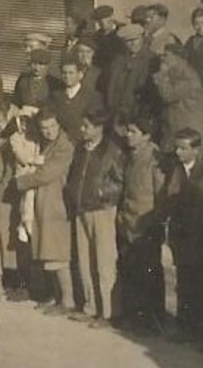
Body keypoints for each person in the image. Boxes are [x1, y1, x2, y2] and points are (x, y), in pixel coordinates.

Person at [159, 127, 203, 345]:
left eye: (183, 148)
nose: (178, 152)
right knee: (183, 282)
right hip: (182, 235)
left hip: (202, 236)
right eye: (176, 147)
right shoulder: (175, 169)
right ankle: (186, 328)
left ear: (197, 149)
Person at [14, 110, 76, 315]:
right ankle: (57, 297)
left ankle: (67, 301)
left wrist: (20, 182)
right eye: (44, 128)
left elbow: (48, 173)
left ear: (59, 125)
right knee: (47, 251)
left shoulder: (65, 147)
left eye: (52, 127)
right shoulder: (49, 144)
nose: (48, 131)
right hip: (45, 202)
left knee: (58, 253)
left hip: (56, 204)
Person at [65, 111, 123, 327]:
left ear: (99, 128)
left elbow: (118, 182)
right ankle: (90, 307)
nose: (82, 130)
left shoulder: (111, 151)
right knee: (84, 259)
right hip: (82, 209)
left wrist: (101, 195)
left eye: (87, 126)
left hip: (101, 210)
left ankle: (108, 313)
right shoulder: (81, 148)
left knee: (104, 262)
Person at [116, 116, 165, 335]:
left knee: (148, 272)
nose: (128, 135)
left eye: (133, 131)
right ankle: (134, 316)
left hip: (145, 223)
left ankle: (152, 320)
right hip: (128, 220)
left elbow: (161, 194)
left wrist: (155, 222)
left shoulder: (154, 158)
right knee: (130, 270)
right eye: (127, 131)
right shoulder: (130, 156)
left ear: (146, 135)